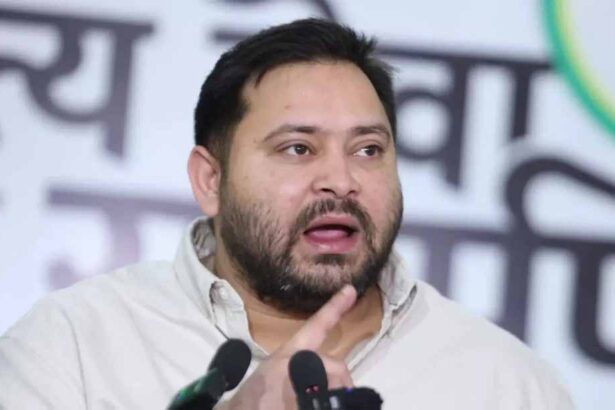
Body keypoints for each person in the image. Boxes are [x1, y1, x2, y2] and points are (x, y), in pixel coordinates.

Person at [0, 18, 573, 409]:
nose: (341, 181)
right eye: (298, 148)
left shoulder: (508, 385)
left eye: (368, 150)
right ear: (210, 180)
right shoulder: (74, 346)